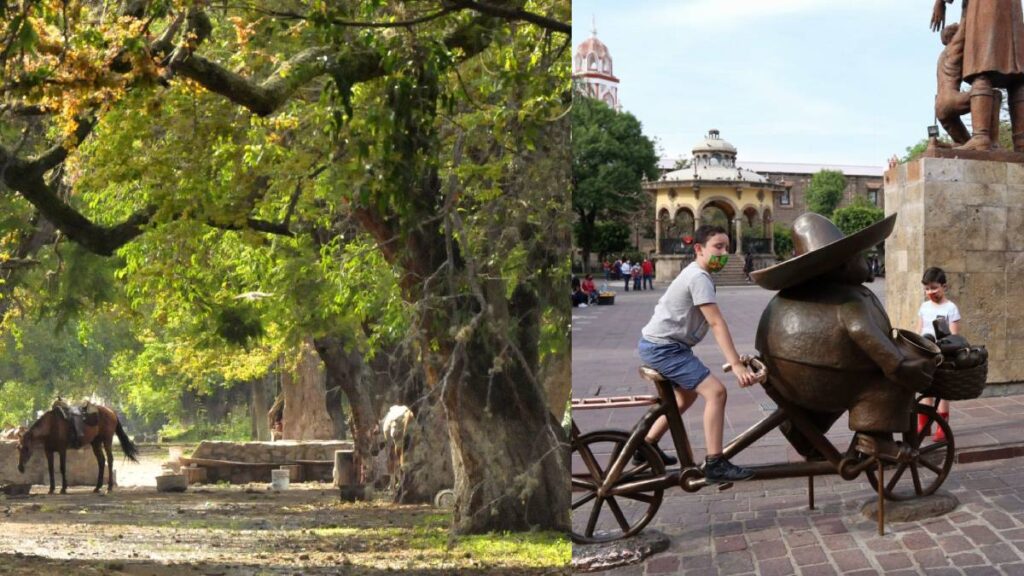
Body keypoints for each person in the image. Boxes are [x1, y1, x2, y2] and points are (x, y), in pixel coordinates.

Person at [635, 225, 757, 483]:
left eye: (727, 247)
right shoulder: (699, 277)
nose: (724, 253)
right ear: (699, 249)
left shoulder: (697, 273)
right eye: (718, 247)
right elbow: (716, 322)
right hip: (664, 349)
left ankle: (645, 446)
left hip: (661, 345)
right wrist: (735, 364)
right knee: (716, 392)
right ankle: (715, 463)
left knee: (685, 397)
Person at [931, 0, 1024, 151]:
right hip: (1012, 9)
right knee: (1017, 77)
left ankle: (980, 137)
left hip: (984, 6)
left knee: (981, 69)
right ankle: (1021, 142)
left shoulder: (947, 52)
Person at [935, 22, 1002, 145]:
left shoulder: (943, 55)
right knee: (994, 94)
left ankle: (948, 146)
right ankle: (993, 143)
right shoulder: (954, 48)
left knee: (967, 145)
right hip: (951, 100)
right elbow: (966, 24)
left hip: (940, 106)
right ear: (953, 37)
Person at [917, 267, 961, 441]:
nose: (930, 292)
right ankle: (924, 423)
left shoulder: (951, 308)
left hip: (942, 354)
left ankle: (942, 425)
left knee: (941, 391)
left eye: (934, 287)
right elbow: (919, 329)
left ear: (944, 286)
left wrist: (943, 347)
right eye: (927, 289)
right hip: (925, 353)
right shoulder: (924, 306)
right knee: (925, 389)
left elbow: (954, 336)